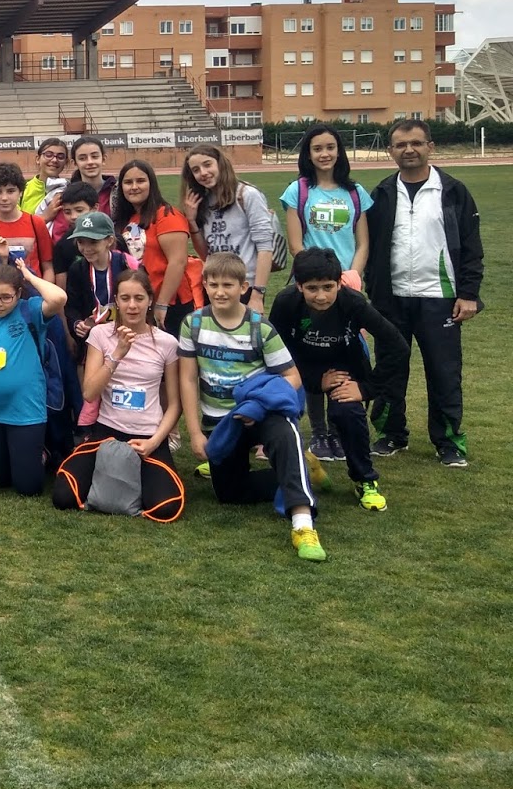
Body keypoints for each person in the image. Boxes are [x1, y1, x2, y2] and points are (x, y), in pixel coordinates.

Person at [179, 253, 324, 561]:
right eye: (213, 285)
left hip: (261, 413)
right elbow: (188, 379)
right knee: (230, 495)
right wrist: (195, 432)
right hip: (221, 422)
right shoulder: (193, 324)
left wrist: (258, 404)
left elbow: (292, 377)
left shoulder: (260, 327)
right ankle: (300, 471)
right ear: (204, 285)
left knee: (284, 432)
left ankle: (302, 525)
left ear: (243, 287)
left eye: (228, 285)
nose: (220, 292)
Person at [362, 119, 483, 466]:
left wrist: (468, 293)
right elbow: (370, 248)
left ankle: (448, 441)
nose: (409, 150)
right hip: (392, 300)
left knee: (444, 373)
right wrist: (374, 295)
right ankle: (391, 434)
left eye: (416, 143)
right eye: (401, 145)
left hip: (440, 298)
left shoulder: (454, 191)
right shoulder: (382, 193)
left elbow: (471, 247)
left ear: (431, 146)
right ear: (391, 151)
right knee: (390, 369)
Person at [270, 249, 406, 510]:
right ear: (299, 286)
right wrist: (313, 380)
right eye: (312, 288)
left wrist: (365, 388)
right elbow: (276, 352)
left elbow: (398, 346)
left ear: (339, 283)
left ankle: (364, 480)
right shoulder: (285, 303)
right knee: (273, 406)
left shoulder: (353, 303)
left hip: (345, 367)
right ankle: (278, 471)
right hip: (298, 368)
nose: (321, 296)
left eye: (328, 287)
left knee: (347, 412)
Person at [0, 262, 68, 497]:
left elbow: (59, 298)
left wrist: (29, 276)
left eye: (6, 297)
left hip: (25, 410)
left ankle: (41, 452)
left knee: (28, 487)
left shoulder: (31, 310)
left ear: (18, 293)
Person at [79, 269, 181, 461]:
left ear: (150, 300)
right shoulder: (100, 334)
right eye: (125, 298)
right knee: (67, 482)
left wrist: (154, 442)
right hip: (107, 429)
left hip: (149, 432)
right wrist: (117, 355)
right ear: (116, 301)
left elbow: (175, 404)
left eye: (139, 298)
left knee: (163, 483)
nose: (132, 305)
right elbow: (89, 393)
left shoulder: (167, 343)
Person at [180, 145, 276, 316]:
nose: (203, 173)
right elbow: (206, 255)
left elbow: (265, 248)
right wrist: (192, 221)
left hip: (244, 286)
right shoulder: (202, 202)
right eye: (196, 170)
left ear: (220, 164)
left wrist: (257, 294)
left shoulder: (247, 195)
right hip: (214, 285)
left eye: (207, 164)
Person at [279, 125, 371, 285]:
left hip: (346, 281)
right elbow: (295, 246)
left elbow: (363, 244)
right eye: (317, 149)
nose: (325, 154)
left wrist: (352, 276)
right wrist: (321, 279)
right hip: (312, 282)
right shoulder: (296, 190)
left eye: (330, 147)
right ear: (308, 154)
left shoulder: (356, 192)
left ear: (339, 151)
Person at [111, 159, 194, 335]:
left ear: (151, 184)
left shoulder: (167, 215)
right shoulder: (125, 219)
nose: (134, 187)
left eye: (140, 181)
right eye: (128, 182)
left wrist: (162, 303)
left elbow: (178, 262)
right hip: (137, 303)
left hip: (170, 304)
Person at [62, 211, 133, 352]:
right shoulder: (77, 269)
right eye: (81, 242)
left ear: (109, 241)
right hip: (92, 340)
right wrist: (77, 324)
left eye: (93, 242)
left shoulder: (126, 264)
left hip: (126, 334)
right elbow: (71, 306)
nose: (87, 248)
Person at [0, 163, 54, 280]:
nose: (4, 198)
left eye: (10, 191)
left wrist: (45, 291)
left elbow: (48, 267)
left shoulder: (36, 223)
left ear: (20, 192)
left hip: (34, 290)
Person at [20, 138, 70, 214]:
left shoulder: (69, 190)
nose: (54, 160)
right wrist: (45, 216)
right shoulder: (22, 189)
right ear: (38, 159)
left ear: (66, 162)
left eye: (60, 157)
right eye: (49, 155)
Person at [68, 136, 116, 213]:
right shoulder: (67, 194)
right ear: (74, 163)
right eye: (82, 158)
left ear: (103, 159)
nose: (90, 162)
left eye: (94, 157)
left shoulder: (118, 191)